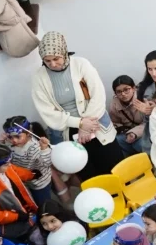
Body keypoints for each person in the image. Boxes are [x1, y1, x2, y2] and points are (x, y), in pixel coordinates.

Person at [30, 31, 125, 178]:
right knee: (89, 174)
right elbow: (47, 112)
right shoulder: (39, 78)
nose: (53, 64)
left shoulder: (81, 64)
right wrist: (79, 123)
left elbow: (97, 95)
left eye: (56, 59)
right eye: (47, 61)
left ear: (64, 52)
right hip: (69, 130)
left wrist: (86, 126)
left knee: (115, 167)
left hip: (96, 123)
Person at [109, 75, 149, 156]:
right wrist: (124, 131)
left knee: (139, 144)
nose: (123, 94)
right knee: (116, 142)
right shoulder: (114, 104)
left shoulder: (143, 99)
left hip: (145, 131)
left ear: (134, 88)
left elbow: (149, 122)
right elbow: (115, 122)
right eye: (119, 92)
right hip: (127, 133)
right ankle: (129, 162)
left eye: (126, 90)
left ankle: (150, 163)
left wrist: (134, 133)